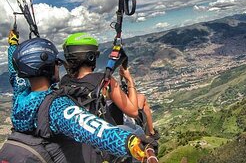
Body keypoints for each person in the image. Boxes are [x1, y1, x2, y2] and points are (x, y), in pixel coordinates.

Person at [0, 29, 155, 163]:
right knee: (138, 131)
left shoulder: (19, 97)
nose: (58, 67)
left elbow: (15, 75)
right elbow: (92, 128)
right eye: (56, 63)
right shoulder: (56, 107)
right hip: (84, 154)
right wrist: (130, 143)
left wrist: (13, 46)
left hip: (33, 149)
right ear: (47, 67)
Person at [61, 33, 159, 140]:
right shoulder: (104, 81)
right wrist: (129, 80)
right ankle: (151, 135)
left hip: (84, 134)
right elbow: (133, 112)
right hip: (107, 134)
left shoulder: (65, 82)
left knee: (140, 98)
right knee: (141, 101)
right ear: (91, 57)